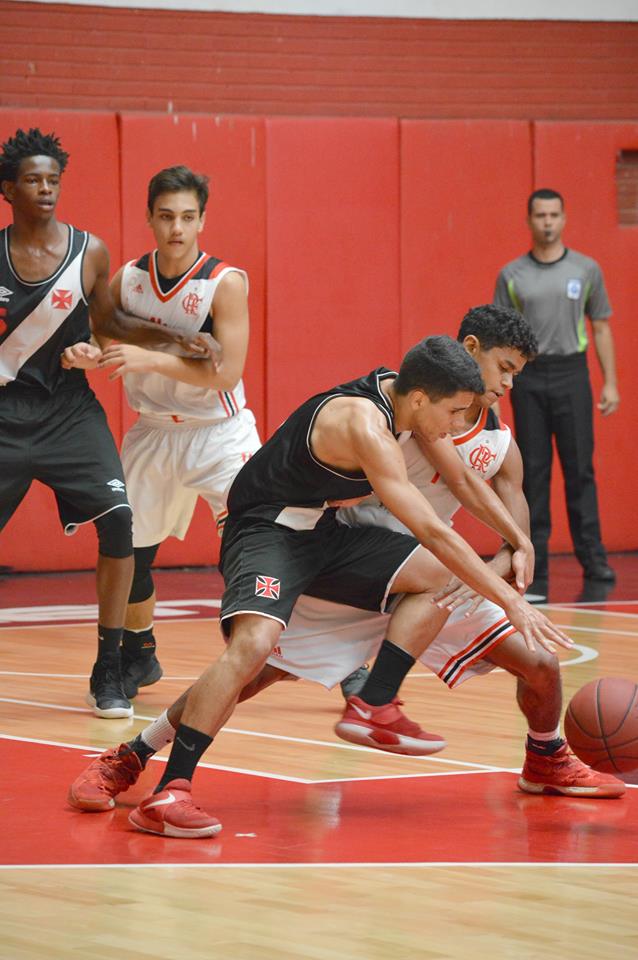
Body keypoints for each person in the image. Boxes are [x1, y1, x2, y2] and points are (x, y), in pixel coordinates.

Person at [68, 307, 623, 823]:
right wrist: (511, 598)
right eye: (503, 369)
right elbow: (434, 525)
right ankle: (142, 763)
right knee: (255, 660)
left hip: (387, 558)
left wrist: (518, 544)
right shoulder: (390, 413)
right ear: (444, 381)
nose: (505, 386)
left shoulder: (472, 428)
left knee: (535, 659)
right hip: (293, 532)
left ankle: (397, 708)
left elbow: (463, 488)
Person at [0, 128, 205, 719]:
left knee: (119, 520)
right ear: (8, 189)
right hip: (7, 413)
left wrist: (179, 337)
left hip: (68, 410)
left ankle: (109, 667)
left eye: (53, 180)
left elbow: (110, 323)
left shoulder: (88, 251)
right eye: (33, 180)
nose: (46, 189)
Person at [66, 165, 261, 699]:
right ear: (150, 218)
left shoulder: (225, 282)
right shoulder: (128, 279)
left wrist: (148, 357)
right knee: (130, 552)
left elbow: (226, 374)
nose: (177, 227)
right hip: (152, 431)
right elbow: (101, 338)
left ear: (203, 220)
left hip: (219, 433)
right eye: (167, 216)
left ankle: (337, 662)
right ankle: (140, 653)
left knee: (262, 541)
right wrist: (87, 353)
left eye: (188, 217)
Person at [494, 188, 619, 598]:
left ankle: (593, 558)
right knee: (532, 472)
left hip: (572, 373)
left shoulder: (586, 269)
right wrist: (496, 389)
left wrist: (611, 382)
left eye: (553, 215)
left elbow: (600, 326)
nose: (547, 222)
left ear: (564, 219)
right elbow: (500, 338)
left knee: (580, 468)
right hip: (530, 377)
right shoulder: (511, 275)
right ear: (529, 221)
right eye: (540, 215)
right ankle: (535, 561)